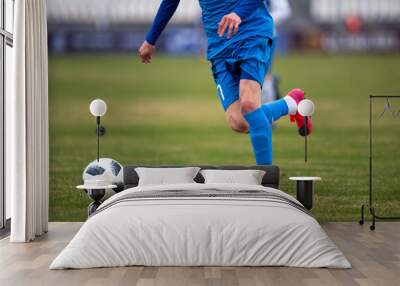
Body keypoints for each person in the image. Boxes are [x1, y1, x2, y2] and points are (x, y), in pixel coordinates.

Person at [138, 0, 312, 165]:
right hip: (219, 45)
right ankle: (290, 103)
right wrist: (150, 40)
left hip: (251, 33)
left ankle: (267, 180)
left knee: (250, 105)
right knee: (239, 122)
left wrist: (238, 13)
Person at [262, 0, 292, 104]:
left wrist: (263, 20)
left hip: (265, 36)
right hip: (240, 37)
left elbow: (285, 10)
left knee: (263, 75)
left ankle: (268, 117)